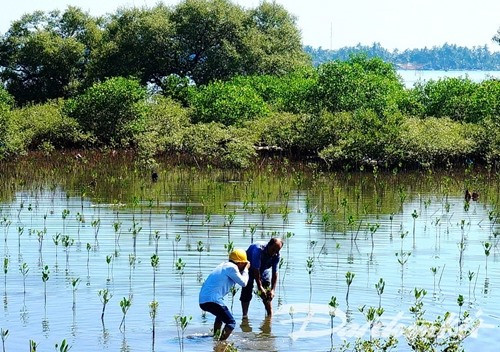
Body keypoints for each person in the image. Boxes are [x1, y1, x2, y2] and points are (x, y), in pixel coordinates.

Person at [199, 249, 250, 340]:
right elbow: (244, 283)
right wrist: (246, 270)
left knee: (220, 317)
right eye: (244, 264)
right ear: (240, 263)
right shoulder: (232, 267)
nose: (245, 266)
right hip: (212, 300)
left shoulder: (223, 265)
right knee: (231, 322)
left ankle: (215, 338)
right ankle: (220, 343)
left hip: (203, 300)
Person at [240, 238, 283, 318]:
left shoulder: (277, 255)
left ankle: (270, 315)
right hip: (250, 266)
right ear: (269, 245)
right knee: (247, 288)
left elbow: (275, 273)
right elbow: (256, 270)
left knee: (267, 291)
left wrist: (273, 290)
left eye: (277, 251)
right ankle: (244, 316)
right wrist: (259, 287)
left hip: (264, 268)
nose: (274, 253)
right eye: (273, 249)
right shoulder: (258, 250)